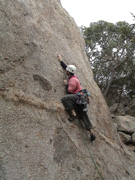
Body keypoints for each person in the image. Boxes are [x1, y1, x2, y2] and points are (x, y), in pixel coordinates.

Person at [57, 55, 96, 141]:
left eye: (67, 71)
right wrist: (60, 60)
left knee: (65, 99)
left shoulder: (73, 80)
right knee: (83, 115)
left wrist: (66, 84)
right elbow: (66, 67)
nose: (66, 71)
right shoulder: (73, 75)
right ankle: (91, 132)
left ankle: (72, 114)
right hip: (81, 98)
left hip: (78, 97)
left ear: (68, 72)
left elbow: (69, 91)